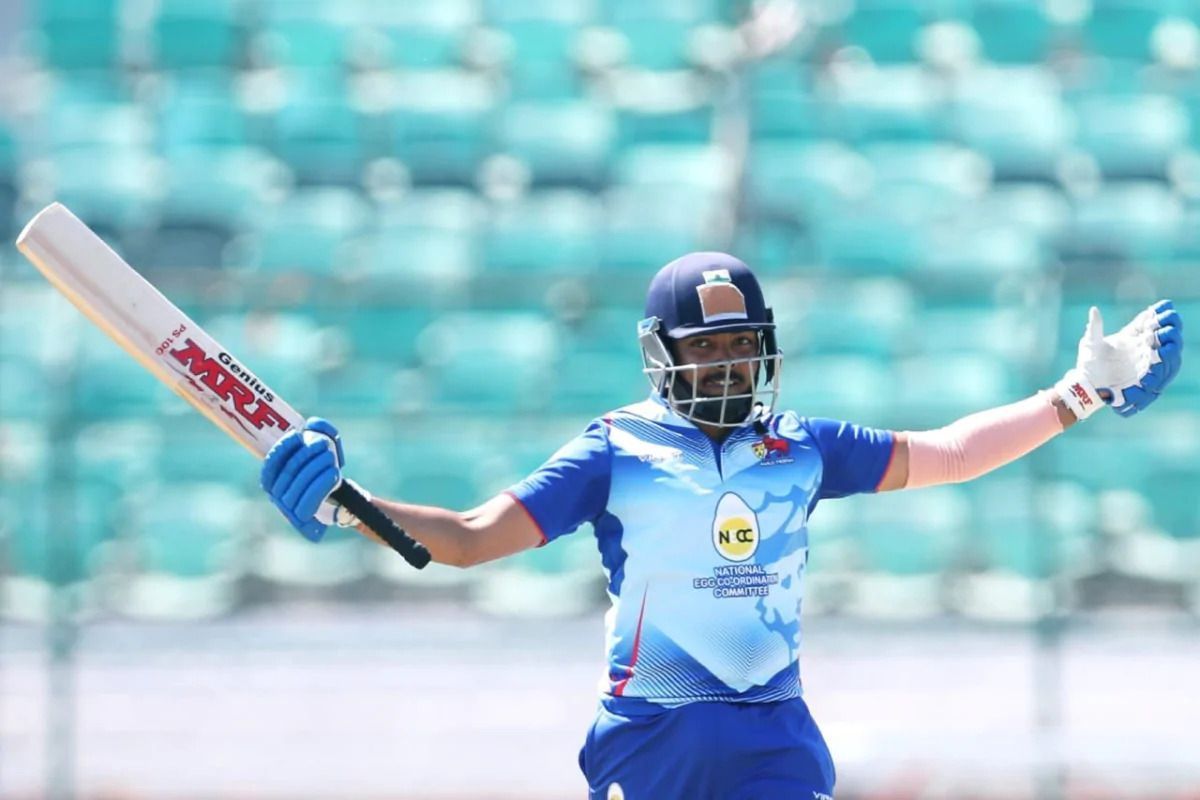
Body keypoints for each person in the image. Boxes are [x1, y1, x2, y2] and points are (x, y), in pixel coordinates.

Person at [260, 252, 1183, 799]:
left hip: (770, 738)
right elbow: (465, 537)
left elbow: (950, 452)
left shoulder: (803, 447)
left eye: (744, 346)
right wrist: (351, 505)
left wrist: (1081, 392)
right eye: (708, 351)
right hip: (647, 738)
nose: (730, 368)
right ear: (663, 358)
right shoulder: (614, 449)